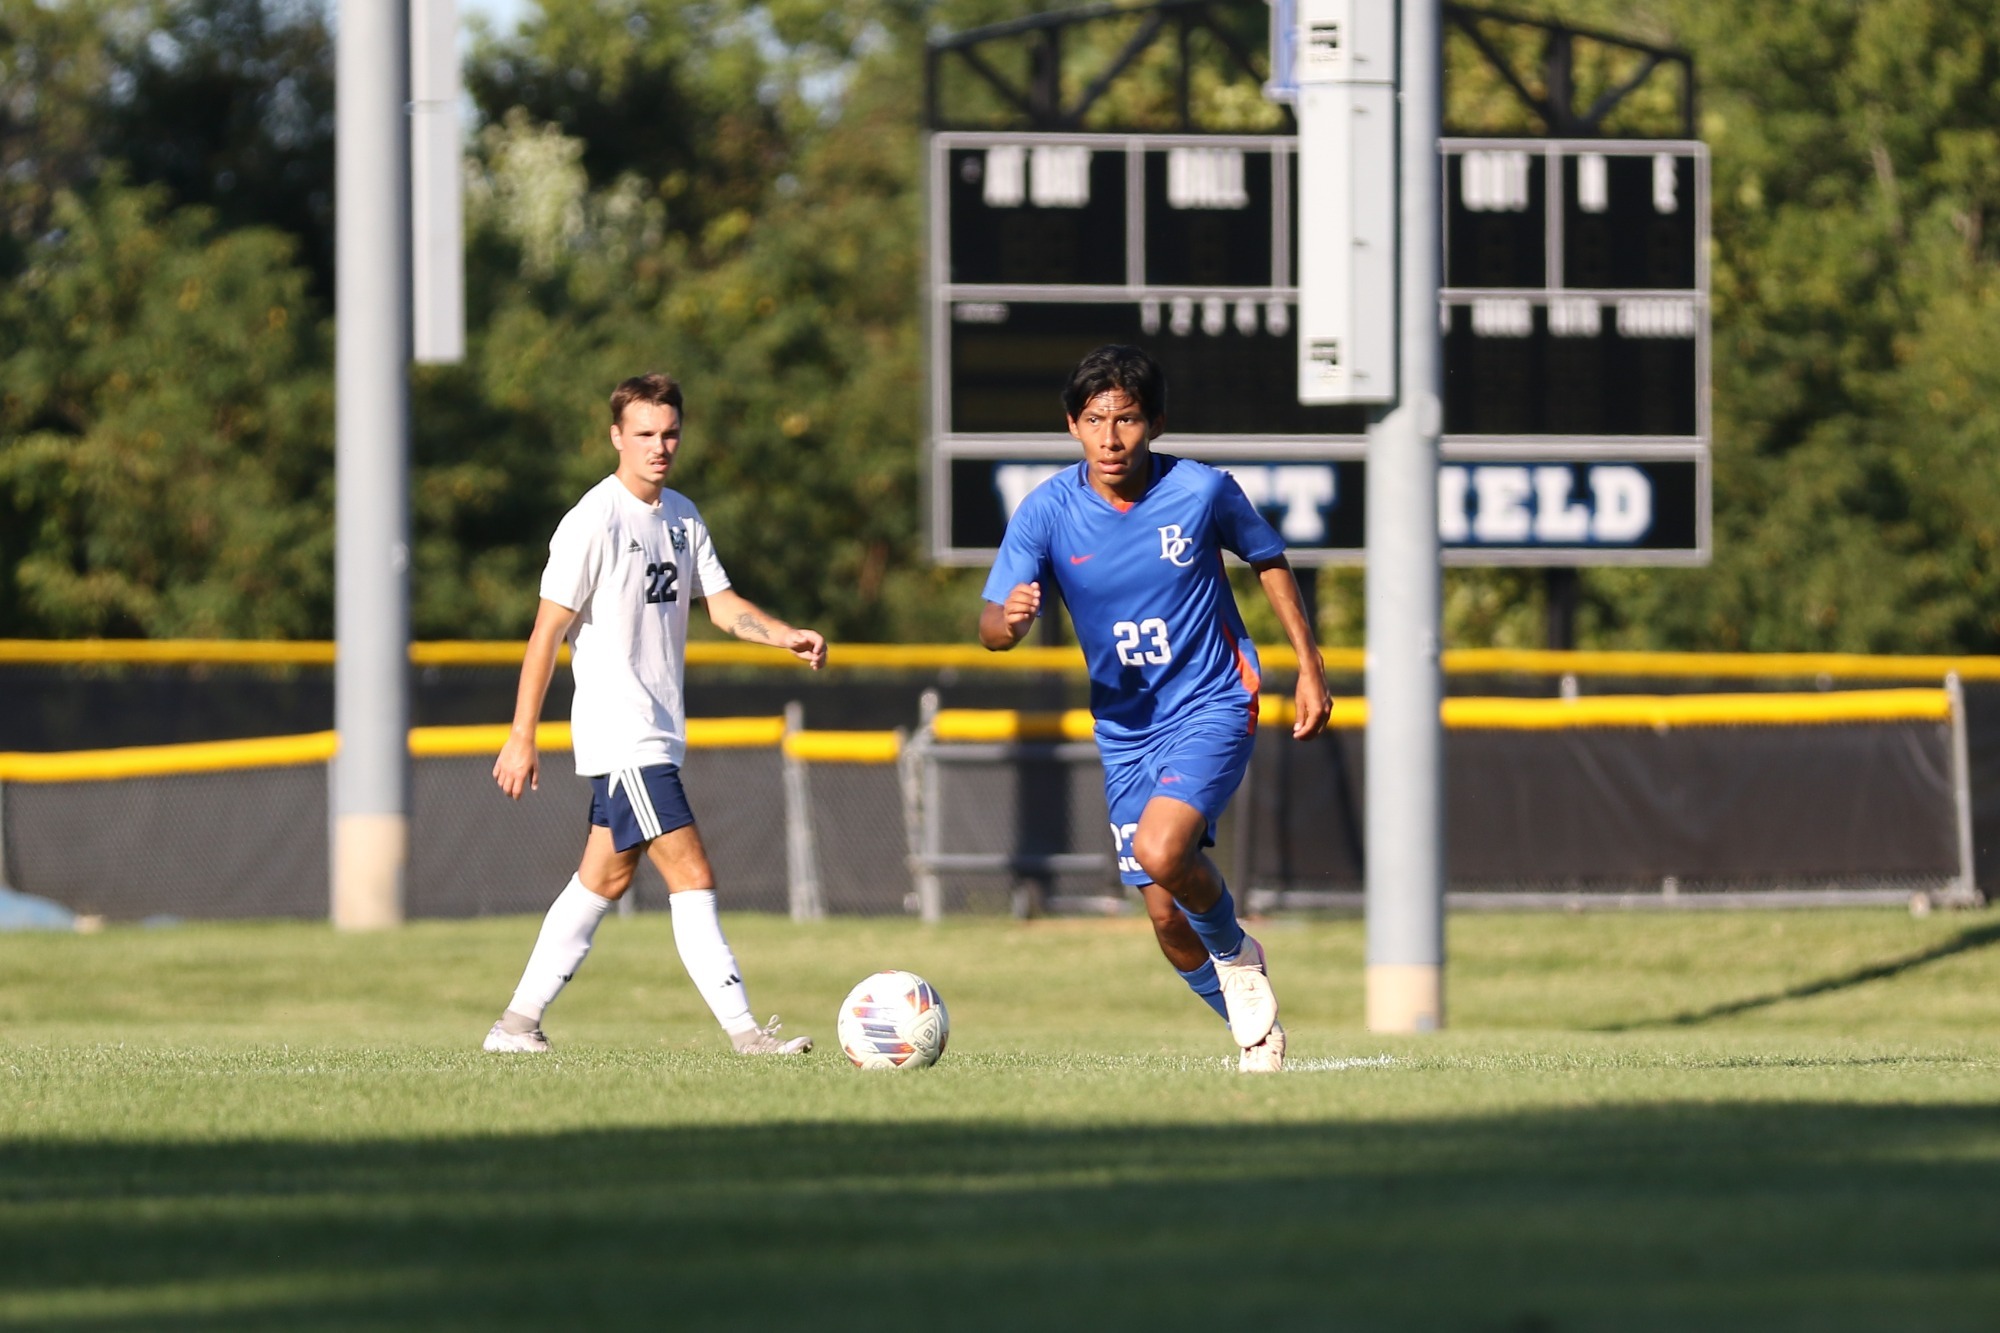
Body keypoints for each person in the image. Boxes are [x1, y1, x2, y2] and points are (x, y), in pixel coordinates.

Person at [978, 345, 1331, 1073]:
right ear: (1073, 424)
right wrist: (1008, 623)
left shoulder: (1202, 491)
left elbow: (1267, 558)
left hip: (1213, 700)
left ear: (1156, 423)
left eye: (1129, 418)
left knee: (1162, 850)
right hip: (1125, 730)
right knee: (1167, 917)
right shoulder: (1046, 511)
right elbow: (990, 627)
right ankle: (1257, 1032)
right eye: (1097, 419)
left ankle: (1237, 950)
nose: (1113, 438)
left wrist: (1310, 665)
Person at [483, 372, 828, 1056]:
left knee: (603, 878)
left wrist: (782, 632)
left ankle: (515, 1025)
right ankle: (746, 1034)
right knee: (691, 871)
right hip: (625, 731)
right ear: (616, 436)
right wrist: (521, 735)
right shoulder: (593, 520)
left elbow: (723, 606)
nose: (658, 446)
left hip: (658, 733)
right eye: (644, 433)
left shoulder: (682, 515)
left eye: (669, 433)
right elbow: (546, 634)